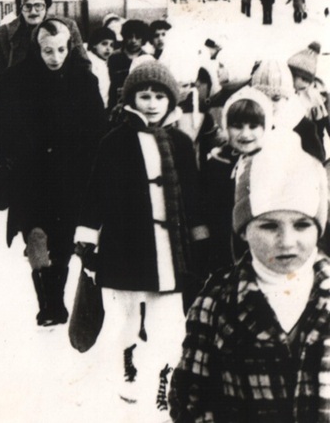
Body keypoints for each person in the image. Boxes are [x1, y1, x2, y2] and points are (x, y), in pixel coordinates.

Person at [74, 62, 208, 414]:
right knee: (128, 319)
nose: (151, 103)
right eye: (144, 96)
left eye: (159, 96)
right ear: (131, 98)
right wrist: (87, 242)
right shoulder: (115, 141)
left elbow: (191, 196)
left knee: (168, 323)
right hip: (125, 250)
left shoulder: (179, 142)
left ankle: (165, 376)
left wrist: (200, 239)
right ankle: (128, 371)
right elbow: (95, 194)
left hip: (169, 253)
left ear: (170, 100)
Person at [169, 141, 330, 423]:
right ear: (244, 231)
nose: (287, 241)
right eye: (269, 226)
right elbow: (190, 396)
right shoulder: (217, 301)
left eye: (302, 225)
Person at [0, 18, 106, 327]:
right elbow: (0, 120)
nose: (55, 57)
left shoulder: (84, 80)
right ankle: (48, 303)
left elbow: (98, 128)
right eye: (47, 51)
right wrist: (13, 149)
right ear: (36, 49)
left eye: (60, 50)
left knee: (63, 242)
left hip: (71, 177)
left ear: (69, 47)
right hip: (30, 175)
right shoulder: (17, 79)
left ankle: (54, 301)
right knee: (36, 237)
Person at [0, 0, 88, 131]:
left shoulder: (67, 27)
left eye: (38, 5)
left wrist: (83, 106)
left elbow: (83, 66)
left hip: (59, 107)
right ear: (20, 8)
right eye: (27, 6)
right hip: (21, 113)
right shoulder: (3, 34)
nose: (33, 12)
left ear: (46, 6)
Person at [199, 87, 275, 276]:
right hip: (222, 249)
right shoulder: (217, 163)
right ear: (226, 126)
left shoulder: (274, 162)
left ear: (266, 126)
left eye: (253, 126)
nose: (245, 134)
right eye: (237, 126)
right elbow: (207, 208)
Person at [251, 58, 326, 162]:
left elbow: (317, 163)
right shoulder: (248, 120)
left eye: (276, 98)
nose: (268, 104)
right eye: (262, 97)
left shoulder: (302, 126)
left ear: (287, 98)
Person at [107, 19, 152, 110]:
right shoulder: (113, 57)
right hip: (114, 103)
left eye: (138, 37)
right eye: (130, 37)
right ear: (124, 37)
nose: (133, 41)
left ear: (143, 38)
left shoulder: (147, 59)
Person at [87, 26, 116, 108]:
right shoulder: (89, 62)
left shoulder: (103, 62)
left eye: (111, 45)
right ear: (94, 45)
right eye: (104, 43)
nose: (108, 48)